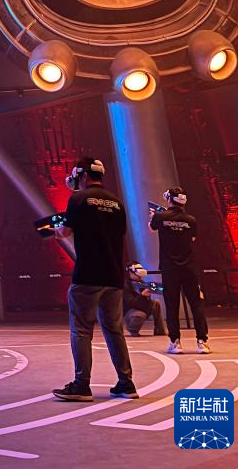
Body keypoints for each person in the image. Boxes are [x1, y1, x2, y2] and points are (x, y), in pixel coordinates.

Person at [52, 156, 139, 402]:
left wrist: (55, 230)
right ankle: (126, 383)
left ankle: (81, 385)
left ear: (82, 175)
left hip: (87, 274)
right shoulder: (117, 202)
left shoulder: (78, 199)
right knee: (114, 330)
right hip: (113, 276)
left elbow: (64, 232)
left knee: (81, 330)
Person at [150, 187, 210, 354]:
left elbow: (151, 228)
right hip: (189, 268)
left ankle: (175, 342)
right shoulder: (191, 220)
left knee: (172, 305)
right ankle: (202, 342)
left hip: (170, 269)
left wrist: (155, 218)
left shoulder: (160, 216)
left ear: (169, 199)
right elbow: (192, 238)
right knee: (196, 305)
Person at [123, 263, 167, 337]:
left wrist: (149, 295)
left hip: (142, 307)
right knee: (140, 315)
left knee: (156, 303)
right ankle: (132, 329)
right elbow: (131, 303)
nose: (140, 276)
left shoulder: (142, 283)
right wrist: (142, 295)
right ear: (130, 272)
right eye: (138, 274)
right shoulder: (126, 285)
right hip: (130, 311)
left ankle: (160, 330)